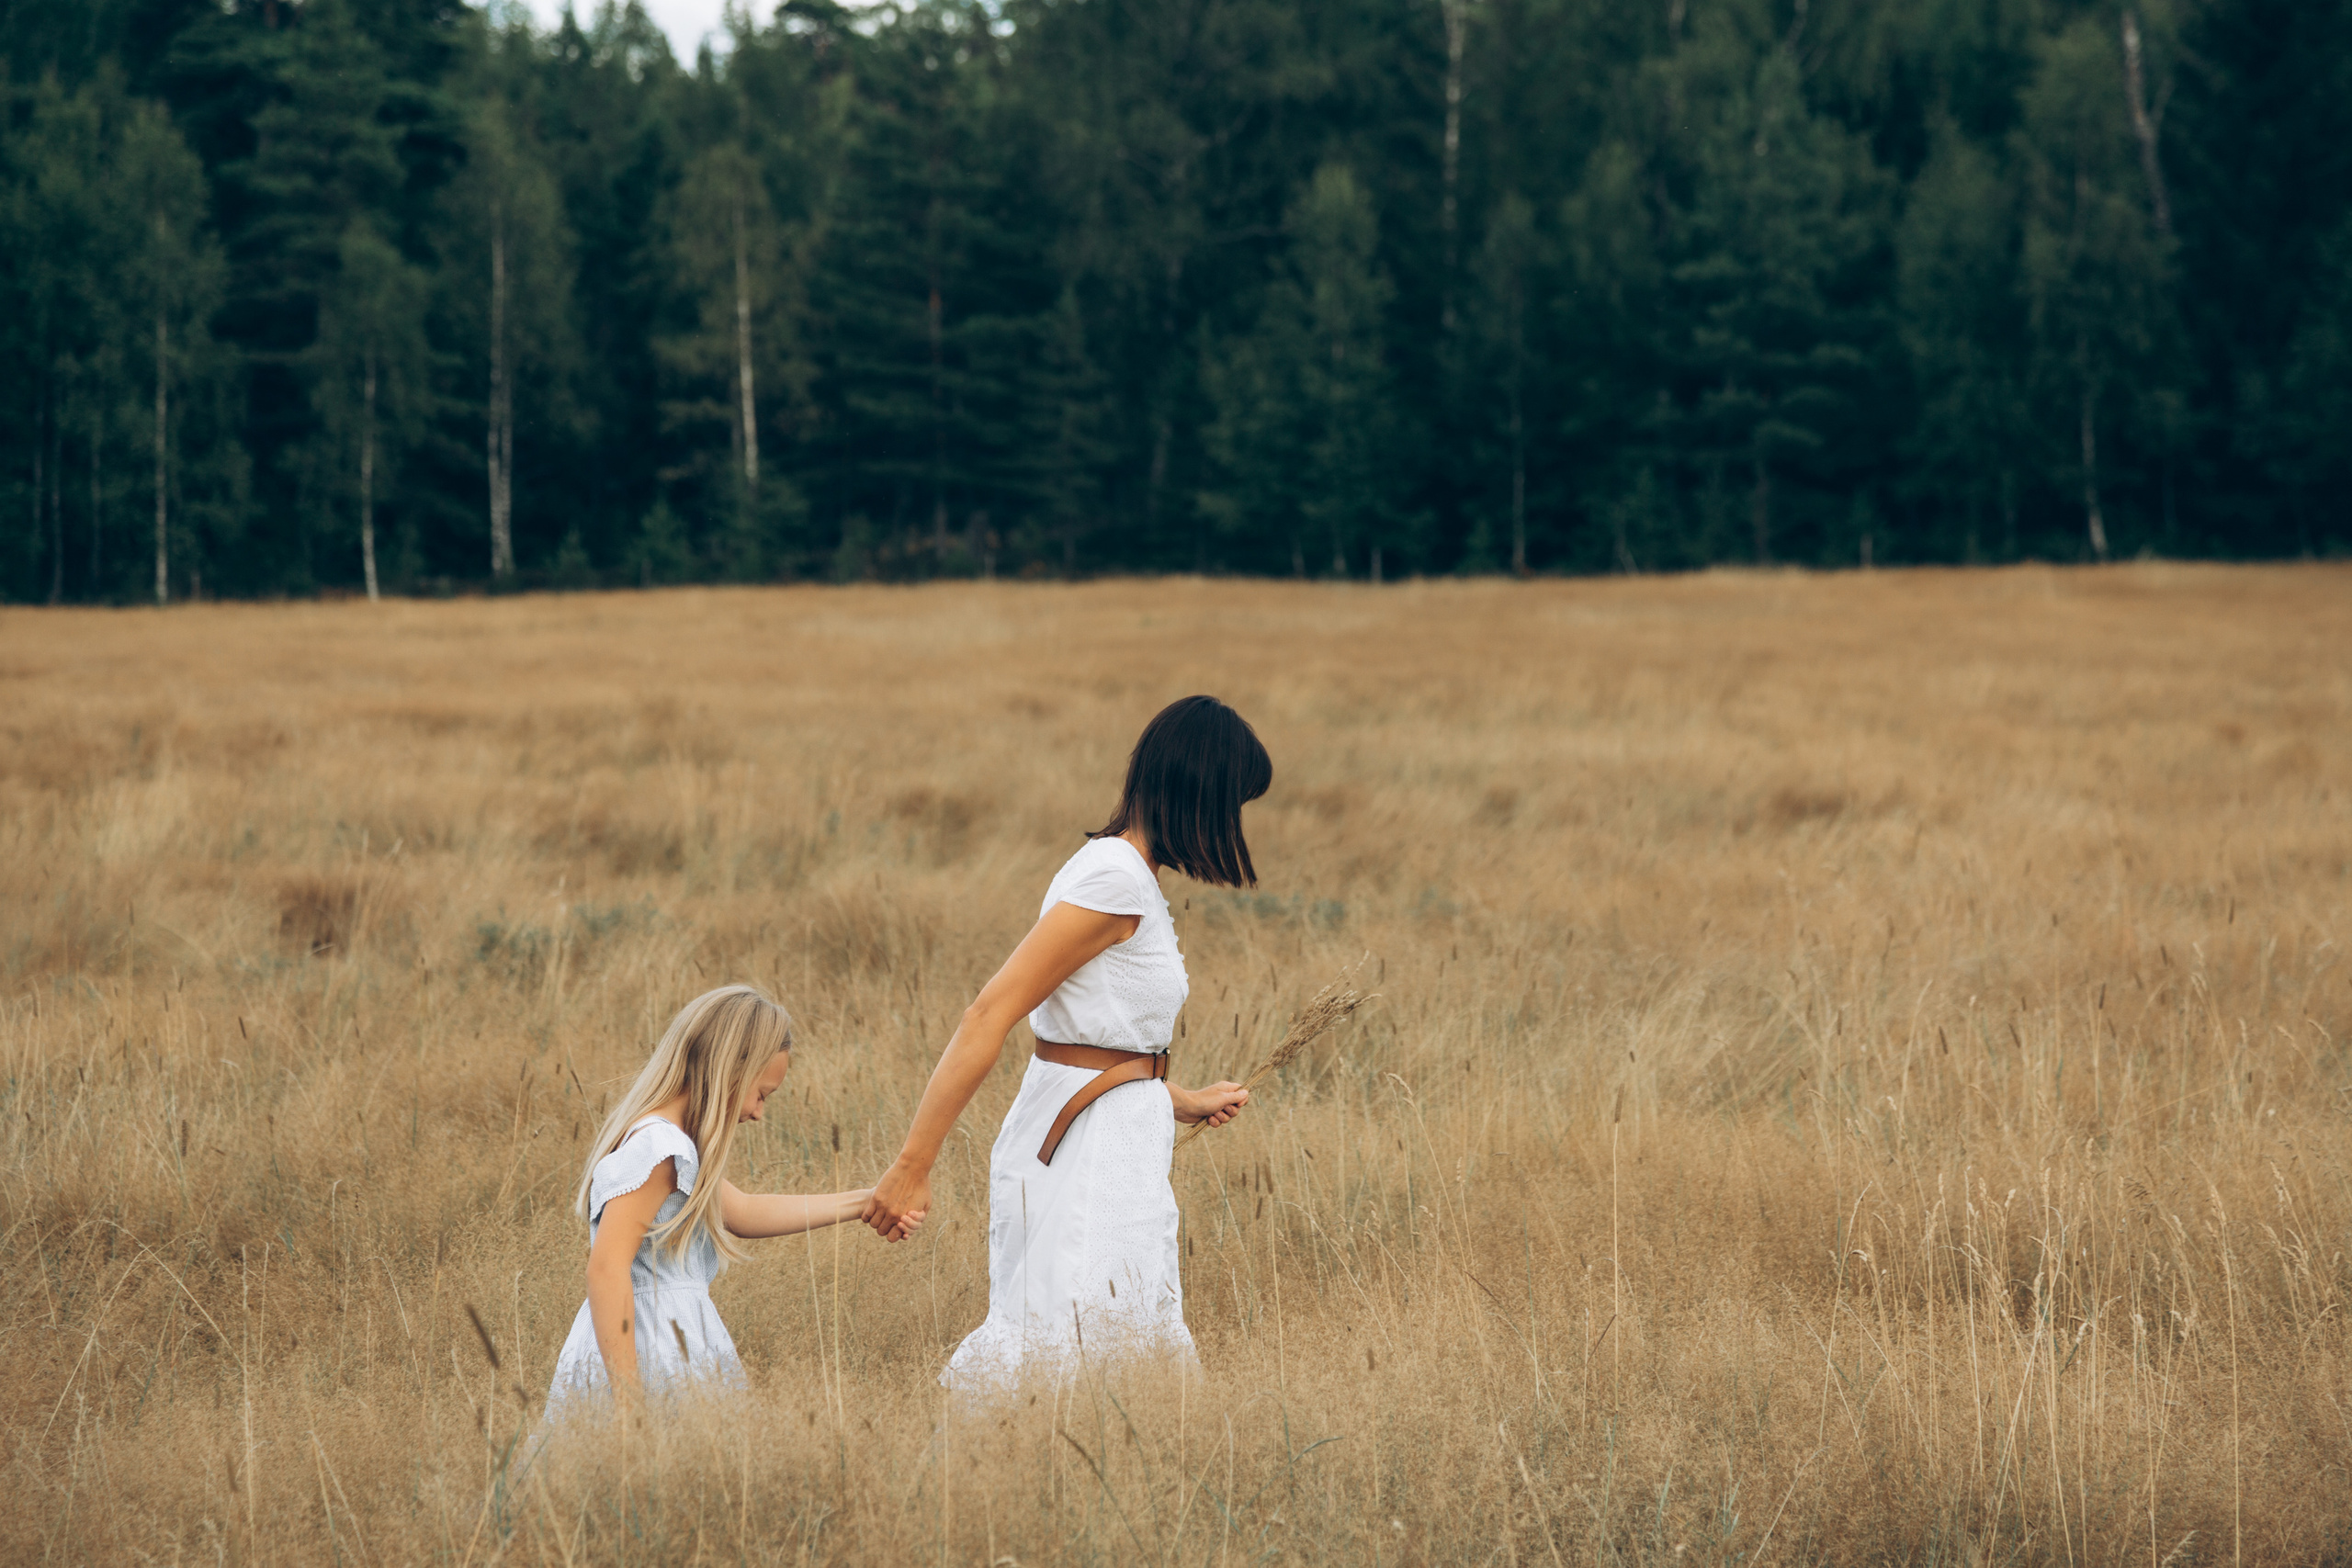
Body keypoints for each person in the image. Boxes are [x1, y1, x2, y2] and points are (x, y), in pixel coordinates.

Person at [864, 695, 1266, 1387]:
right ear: (1195, 791)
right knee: (1075, 1339)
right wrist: (912, 1163)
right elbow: (989, 1013)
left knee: (1113, 1338)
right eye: (1231, 803)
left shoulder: (1127, 876)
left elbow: (1091, 1037)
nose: (1231, 824)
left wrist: (1179, 1098)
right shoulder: (1114, 878)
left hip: (1113, 1133)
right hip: (1085, 1148)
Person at [546, 984, 907, 1417]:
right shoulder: (658, 1149)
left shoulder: (673, 1146)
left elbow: (744, 1211)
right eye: (762, 1094)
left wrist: (869, 1201)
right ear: (728, 1071)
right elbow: (606, 1270)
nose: (758, 1113)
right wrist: (630, 1407)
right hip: (649, 1343)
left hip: (672, 1336)